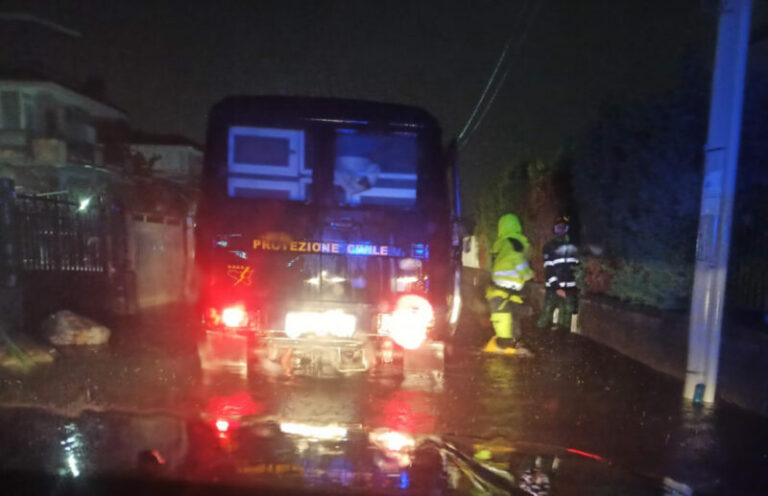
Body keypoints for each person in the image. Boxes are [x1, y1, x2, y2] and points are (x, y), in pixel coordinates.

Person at [484, 214, 534, 353]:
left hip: (499, 292)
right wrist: (528, 274)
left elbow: (492, 268)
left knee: (505, 319)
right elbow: (519, 262)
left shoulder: (499, 246)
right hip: (509, 292)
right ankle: (510, 345)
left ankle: (507, 345)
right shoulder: (515, 244)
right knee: (510, 320)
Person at [537, 216, 580, 331]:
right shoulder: (549, 247)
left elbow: (578, 269)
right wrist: (557, 288)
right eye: (558, 227)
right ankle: (540, 340)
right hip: (553, 289)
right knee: (545, 316)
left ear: (567, 229)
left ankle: (562, 343)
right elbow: (549, 269)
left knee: (566, 320)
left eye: (563, 227)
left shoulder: (575, 247)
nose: (560, 230)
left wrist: (576, 288)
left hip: (569, 290)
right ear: (554, 229)